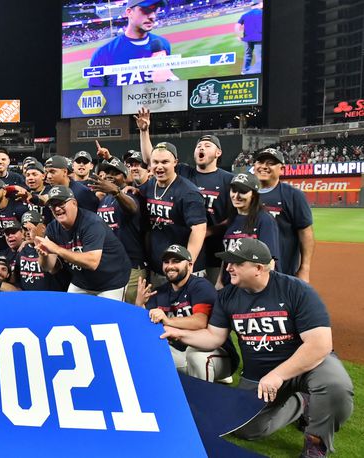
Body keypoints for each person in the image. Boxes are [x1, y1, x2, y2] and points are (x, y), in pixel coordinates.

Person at [160, 239, 353, 458]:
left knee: (336, 386)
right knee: (245, 428)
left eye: (236, 263)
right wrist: (180, 334)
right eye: (228, 262)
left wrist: (279, 375)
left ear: (259, 268)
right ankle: (301, 402)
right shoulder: (227, 297)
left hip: (307, 365)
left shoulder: (296, 290)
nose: (228, 267)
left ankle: (316, 442)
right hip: (260, 374)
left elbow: (320, 345)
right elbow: (214, 337)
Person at [136, 110, 234, 283]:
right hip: (179, 245)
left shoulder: (227, 179)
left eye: (207, 145)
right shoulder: (184, 171)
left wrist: (207, 231)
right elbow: (152, 159)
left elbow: (234, 216)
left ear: (218, 153)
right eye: (199, 146)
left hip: (211, 247)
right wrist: (144, 132)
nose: (202, 148)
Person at [136, 245, 237, 382]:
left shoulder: (200, 286)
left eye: (176, 261)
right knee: (144, 353)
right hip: (180, 351)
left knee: (196, 356)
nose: (170, 266)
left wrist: (168, 321)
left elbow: (200, 321)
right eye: (167, 262)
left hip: (214, 353)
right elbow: (145, 328)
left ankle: (202, 400)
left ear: (190, 265)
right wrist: (139, 304)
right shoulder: (159, 292)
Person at [35, 185, 131, 298]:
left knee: (106, 315)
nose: (57, 209)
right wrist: (43, 255)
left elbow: (92, 262)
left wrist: (56, 249)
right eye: (53, 205)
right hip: (82, 281)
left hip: (111, 281)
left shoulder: (91, 223)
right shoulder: (52, 228)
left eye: (61, 204)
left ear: (74, 203)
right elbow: (49, 268)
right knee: (72, 314)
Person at [138, 142, 208, 285]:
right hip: (158, 267)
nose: (159, 166)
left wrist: (188, 263)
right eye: (155, 162)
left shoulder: (189, 192)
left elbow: (199, 229)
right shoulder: (150, 185)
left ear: (175, 162)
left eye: (165, 162)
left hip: (184, 269)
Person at [88, 158, 145, 303]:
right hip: (111, 265)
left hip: (131, 265)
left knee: (131, 309)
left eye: (116, 173)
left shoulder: (130, 194)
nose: (109, 176)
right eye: (107, 172)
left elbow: (132, 207)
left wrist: (117, 192)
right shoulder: (104, 200)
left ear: (125, 177)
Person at [253, 148, 314, 282]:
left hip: (282, 270)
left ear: (282, 169)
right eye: (260, 162)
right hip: (248, 270)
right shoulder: (244, 194)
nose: (263, 166)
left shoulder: (293, 195)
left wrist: (305, 268)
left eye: (270, 163)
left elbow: (305, 232)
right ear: (254, 166)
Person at [87, 0, 175, 87]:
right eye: (146, 10)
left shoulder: (163, 44)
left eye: (155, 10)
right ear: (129, 12)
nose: (152, 16)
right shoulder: (103, 53)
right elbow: (96, 95)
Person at [219, 172, 280, 288]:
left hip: (252, 287)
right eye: (233, 190)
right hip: (230, 286)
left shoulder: (264, 220)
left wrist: (266, 289)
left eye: (242, 192)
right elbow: (227, 254)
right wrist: (220, 281)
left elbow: (269, 261)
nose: (236, 196)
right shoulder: (232, 219)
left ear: (254, 195)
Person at [0, 177, 29, 254]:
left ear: (4, 192)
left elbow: (29, 230)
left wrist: (26, 243)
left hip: (19, 249)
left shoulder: (18, 208)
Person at [236, 1, 263, 75]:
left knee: (247, 54)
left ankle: (244, 71)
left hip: (247, 39)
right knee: (259, 56)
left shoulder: (245, 15)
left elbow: (237, 26)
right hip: (259, 38)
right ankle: (259, 72)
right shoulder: (262, 13)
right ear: (259, 5)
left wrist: (238, 36)